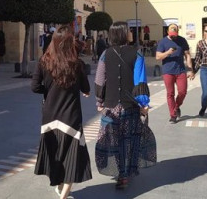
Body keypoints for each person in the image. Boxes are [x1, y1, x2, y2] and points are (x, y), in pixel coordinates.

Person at [94, 21, 157, 190]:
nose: (131, 33)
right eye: (129, 31)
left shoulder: (105, 54)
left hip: (111, 106)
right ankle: (125, 174)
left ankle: (119, 171)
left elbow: (100, 80)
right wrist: (143, 103)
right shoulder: (137, 54)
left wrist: (99, 101)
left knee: (112, 140)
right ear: (122, 33)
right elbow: (140, 81)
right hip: (130, 105)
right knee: (128, 141)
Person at [31, 25, 91, 199]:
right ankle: (63, 194)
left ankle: (60, 188)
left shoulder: (44, 61)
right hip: (71, 118)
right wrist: (83, 91)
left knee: (54, 154)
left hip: (49, 117)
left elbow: (34, 87)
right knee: (72, 156)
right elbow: (85, 87)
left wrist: (48, 91)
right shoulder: (76, 63)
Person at [155, 23, 192, 124]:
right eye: (171, 33)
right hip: (168, 71)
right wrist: (167, 53)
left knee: (182, 92)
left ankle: (176, 107)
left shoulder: (182, 40)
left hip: (180, 71)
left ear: (177, 32)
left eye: (174, 33)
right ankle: (173, 115)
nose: (173, 35)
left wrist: (190, 69)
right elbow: (158, 57)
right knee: (170, 93)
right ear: (167, 32)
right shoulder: (163, 42)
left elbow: (187, 55)